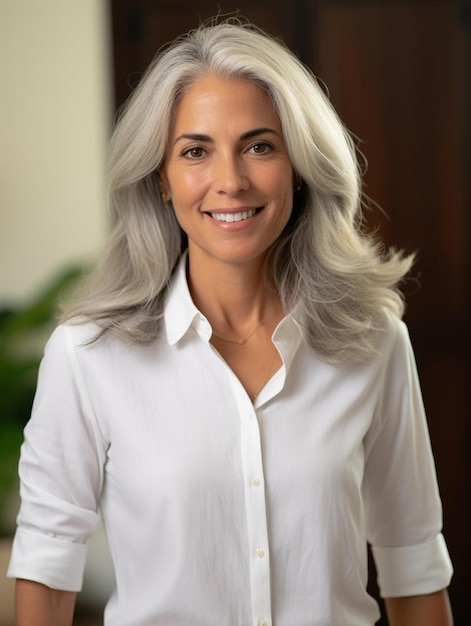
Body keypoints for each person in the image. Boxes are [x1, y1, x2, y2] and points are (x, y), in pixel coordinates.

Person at [7, 18, 453, 626]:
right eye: (195, 151)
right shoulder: (88, 355)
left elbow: (412, 559)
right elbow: (47, 565)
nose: (231, 181)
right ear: (160, 178)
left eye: (260, 145)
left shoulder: (374, 342)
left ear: (297, 164)